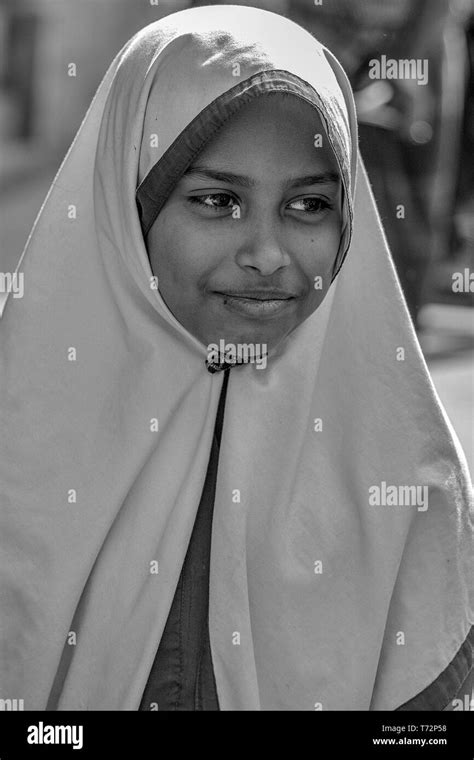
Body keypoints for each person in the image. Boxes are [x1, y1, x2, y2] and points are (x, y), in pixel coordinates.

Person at [0, 5, 472, 711]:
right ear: (130, 204)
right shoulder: (16, 453)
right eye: (217, 200)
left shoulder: (409, 481)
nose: (267, 256)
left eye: (310, 204)